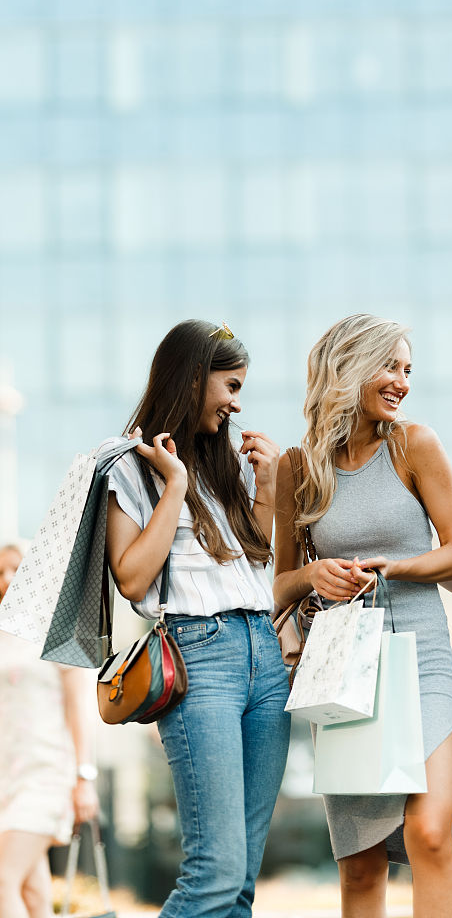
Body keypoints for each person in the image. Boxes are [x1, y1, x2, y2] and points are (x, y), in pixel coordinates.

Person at [272, 313, 452, 918]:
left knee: (430, 833)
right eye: (391, 366)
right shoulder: (297, 467)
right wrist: (314, 574)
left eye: (408, 369)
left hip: (424, 659)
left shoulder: (415, 444)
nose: (402, 382)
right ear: (349, 368)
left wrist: (396, 566)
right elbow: (280, 584)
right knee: (362, 865)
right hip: (345, 672)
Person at [103, 319, 290, 918]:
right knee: (214, 873)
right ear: (191, 379)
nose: (237, 402)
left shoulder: (224, 462)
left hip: (263, 651)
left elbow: (253, 558)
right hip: (199, 653)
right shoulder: (128, 467)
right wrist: (175, 484)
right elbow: (132, 577)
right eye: (229, 386)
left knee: (240, 883)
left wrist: (264, 487)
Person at [0, 543, 100, 918]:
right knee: (31, 891)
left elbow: (80, 709)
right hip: (6, 777)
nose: (8, 579)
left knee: (3, 880)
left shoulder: (60, 631)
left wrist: (84, 777)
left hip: (44, 774)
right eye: (0, 572)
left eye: (16, 569)